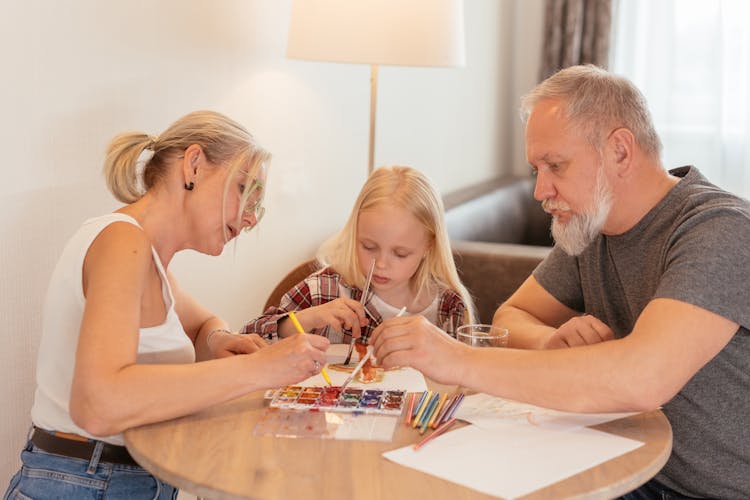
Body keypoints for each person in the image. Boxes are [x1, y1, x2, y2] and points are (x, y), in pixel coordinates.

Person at [370, 65, 750, 499]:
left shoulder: (721, 230)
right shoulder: (592, 228)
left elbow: (645, 380)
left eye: (555, 165)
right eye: (537, 169)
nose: (540, 190)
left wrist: (453, 358)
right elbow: (514, 315)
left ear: (620, 152)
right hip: (628, 464)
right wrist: (548, 344)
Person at [4, 110, 329, 500]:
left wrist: (217, 340)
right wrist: (258, 369)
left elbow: (201, 324)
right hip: (86, 482)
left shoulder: (150, 260)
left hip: (118, 480)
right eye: (244, 189)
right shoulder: (122, 243)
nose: (249, 219)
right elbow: (97, 404)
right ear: (193, 165)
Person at [242, 165, 475, 344]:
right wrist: (308, 319)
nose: (381, 264)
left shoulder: (448, 307)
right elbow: (247, 339)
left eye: (401, 253)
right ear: (355, 233)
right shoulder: (323, 291)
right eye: (369, 247)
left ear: (429, 246)